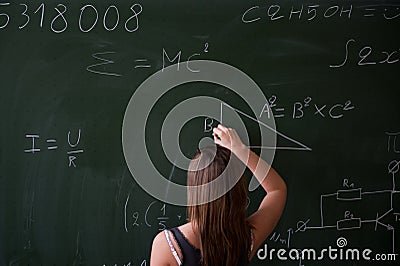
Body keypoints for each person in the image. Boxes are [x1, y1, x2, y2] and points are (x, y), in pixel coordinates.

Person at [150, 124, 287, 265]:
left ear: (195, 191)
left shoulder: (167, 246)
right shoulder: (246, 239)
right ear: (237, 191)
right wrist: (241, 150)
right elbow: (277, 189)